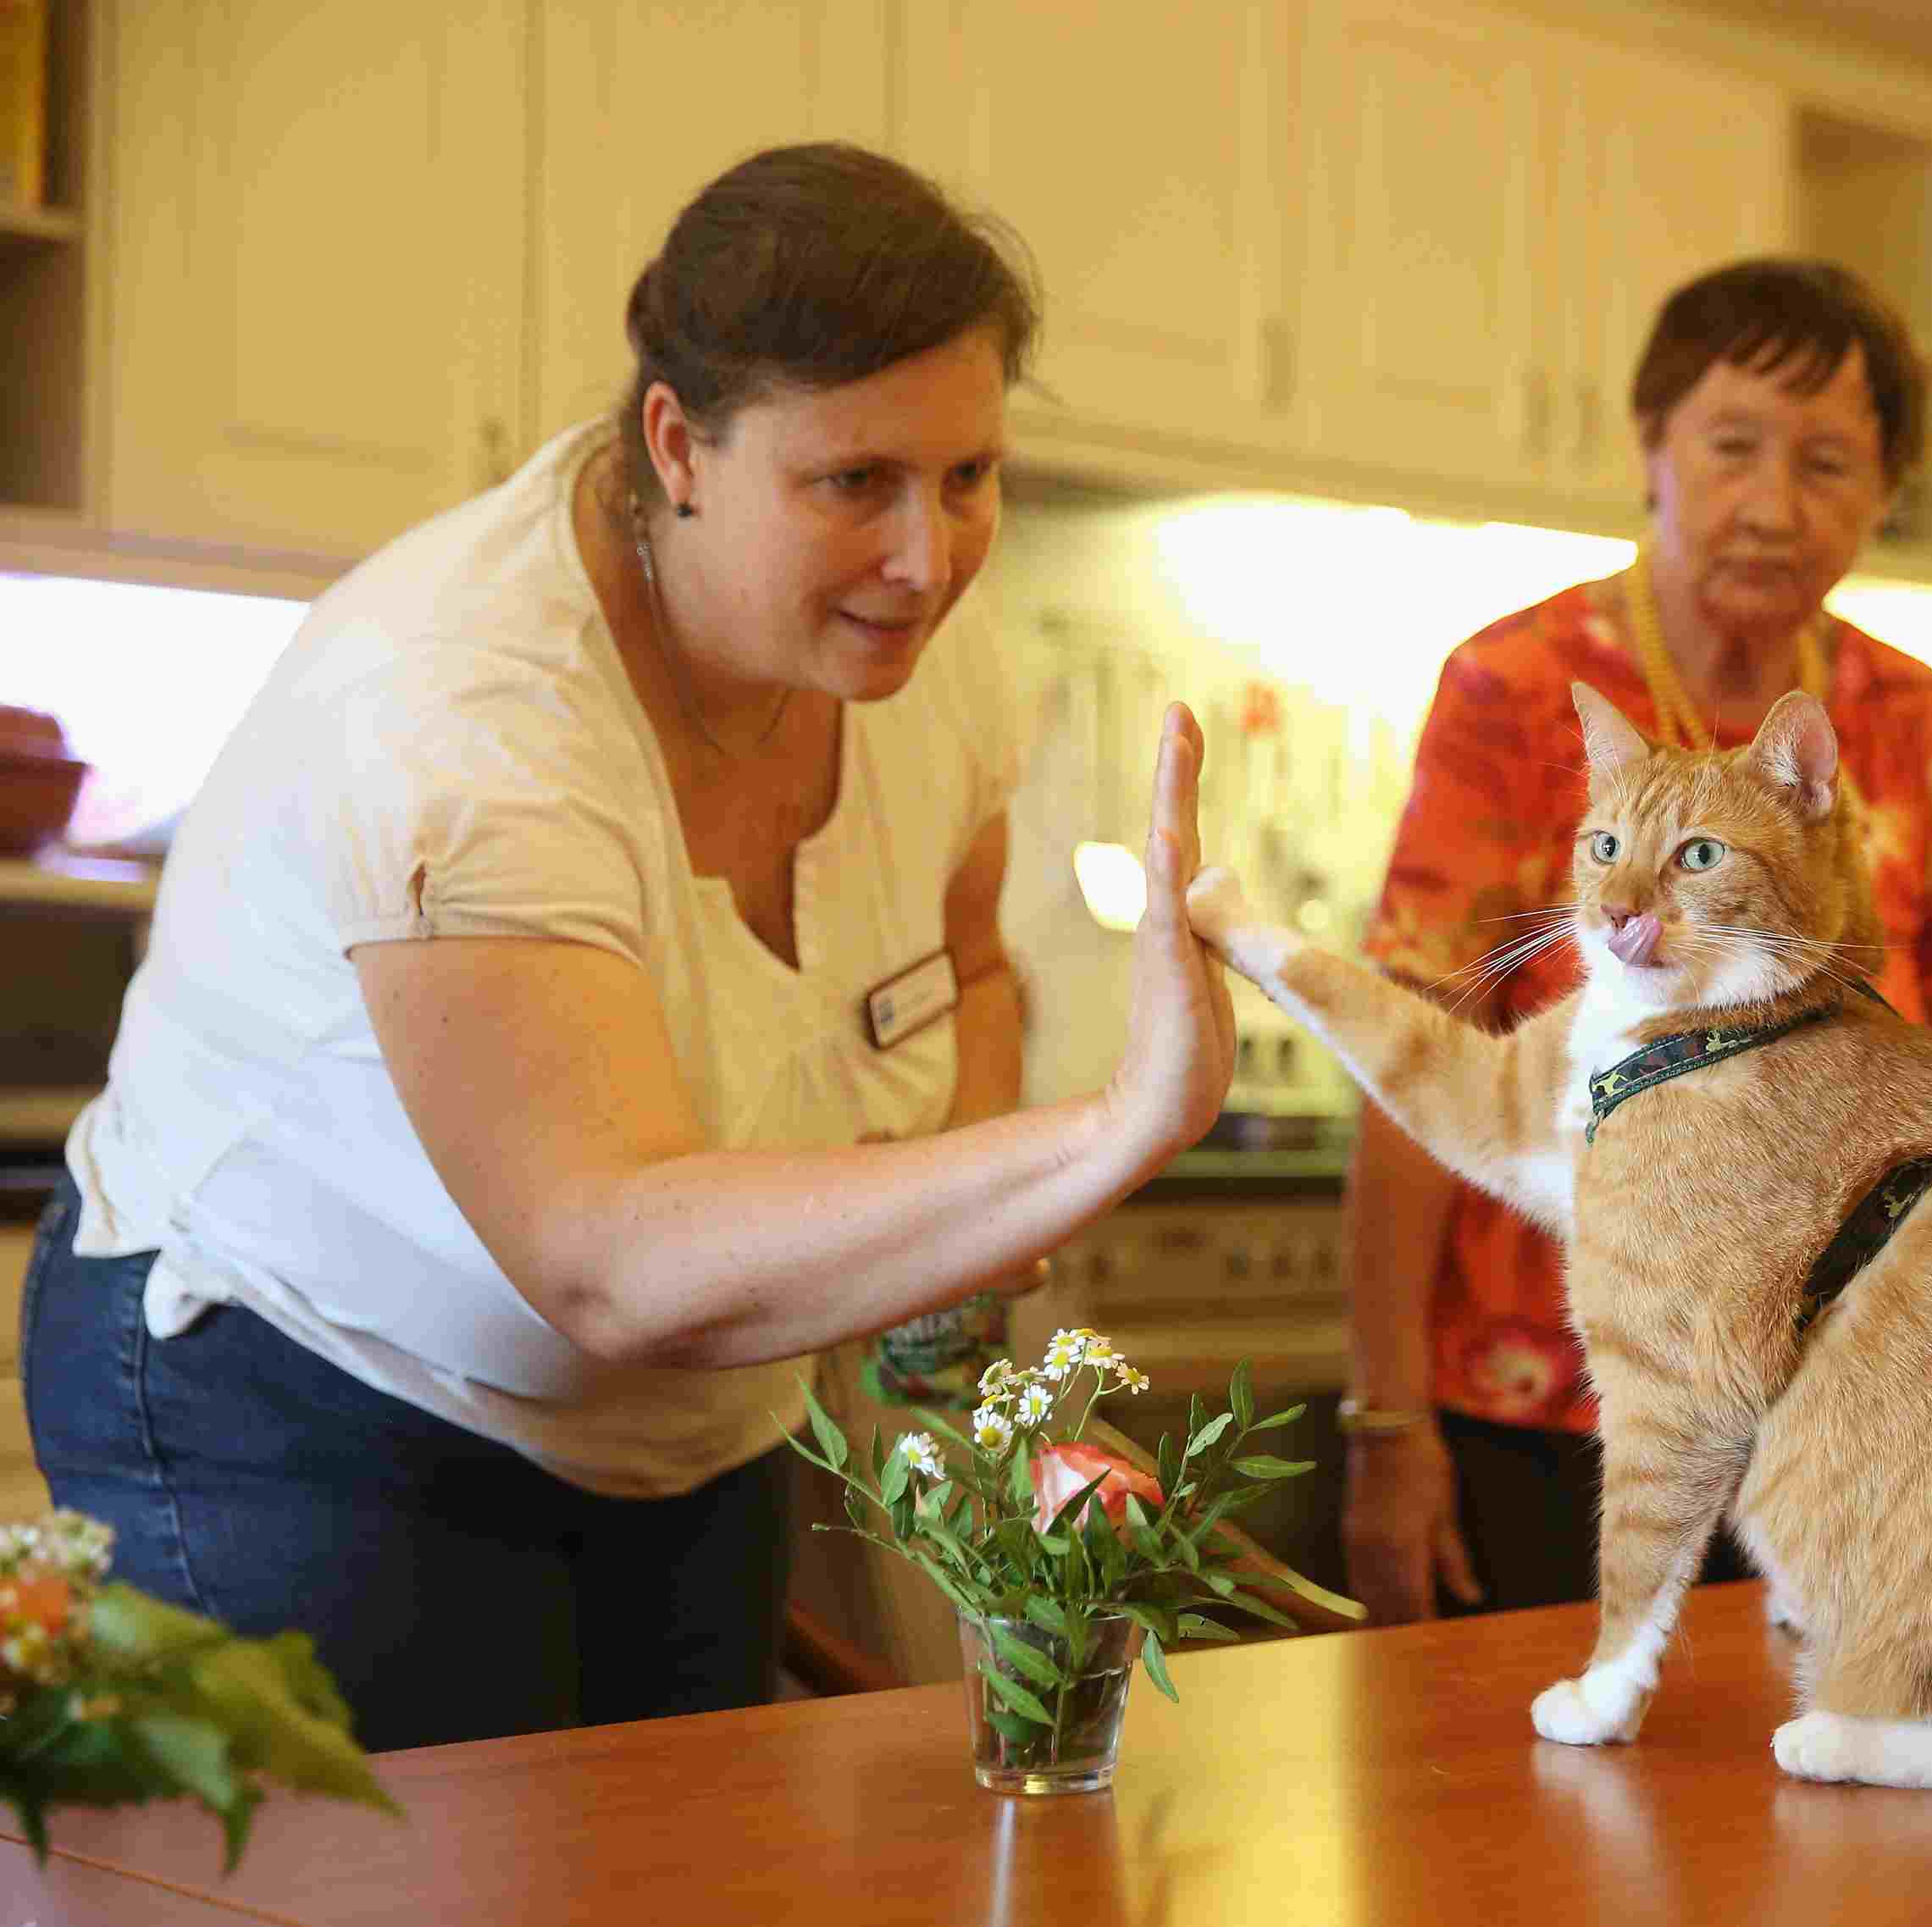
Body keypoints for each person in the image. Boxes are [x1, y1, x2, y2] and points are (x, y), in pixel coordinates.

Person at [23, 144, 1237, 1751]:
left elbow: (967, 967)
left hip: (690, 1423)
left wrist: (957, 1232)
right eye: (854, 481)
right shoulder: (466, 702)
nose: (927, 558)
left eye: (967, 477)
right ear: (678, 444)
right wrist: (1099, 1132)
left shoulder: (925, 656)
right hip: (298, 1390)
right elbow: (606, 1256)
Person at [1341, 259, 1932, 1623]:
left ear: (1881, 496)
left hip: (1823, 1413)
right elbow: (1414, 1060)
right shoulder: (1515, 688)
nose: (1773, 503)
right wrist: (1386, 1427)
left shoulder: (1909, 717)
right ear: (1651, 446)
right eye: (1733, 445)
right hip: (1544, 1397)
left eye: (1828, 462)